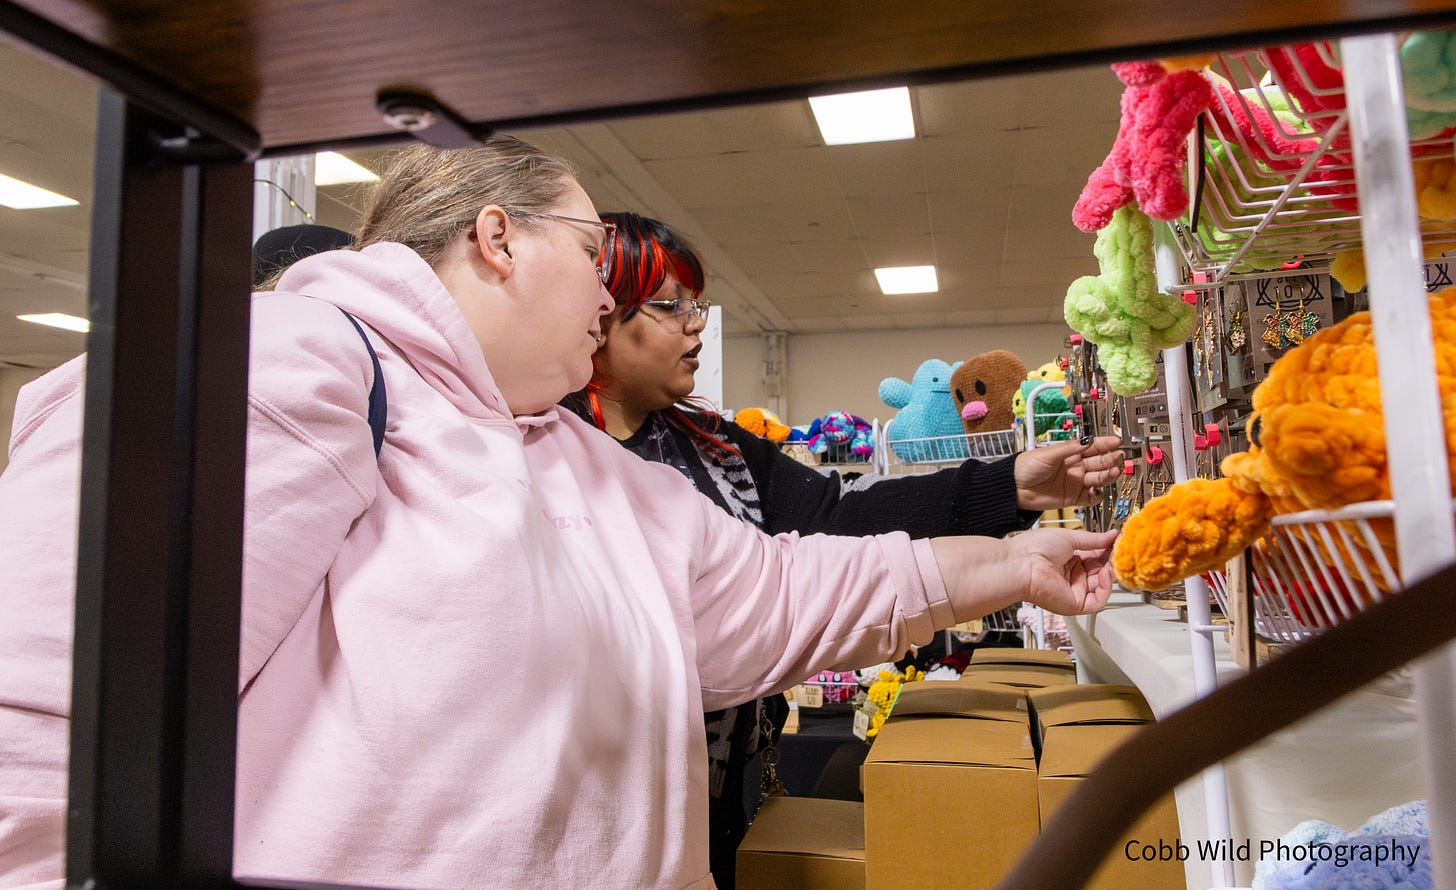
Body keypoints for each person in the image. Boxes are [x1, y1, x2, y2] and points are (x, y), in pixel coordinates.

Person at [0, 136, 1118, 890]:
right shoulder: (293, 362)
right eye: (591, 255)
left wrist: (1014, 564)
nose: (604, 292)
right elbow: (50, 730)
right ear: (498, 240)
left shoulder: (572, 456)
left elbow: (779, 589)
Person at [562, 211, 1124, 887]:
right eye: (668, 305)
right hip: (612, 817)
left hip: (731, 793)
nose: (695, 324)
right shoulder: (551, 456)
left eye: (696, 304)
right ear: (601, 312)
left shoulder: (716, 448)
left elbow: (841, 514)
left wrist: (1007, 486)